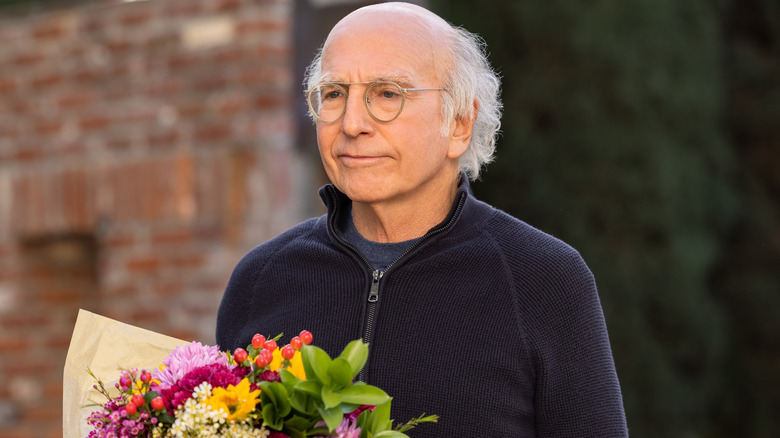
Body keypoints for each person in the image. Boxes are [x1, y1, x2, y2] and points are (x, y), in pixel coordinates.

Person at [217, 3, 628, 436]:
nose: (352, 123)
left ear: (460, 125)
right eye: (334, 93)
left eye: (388, 93)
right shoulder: (260, 279)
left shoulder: (543, 280)